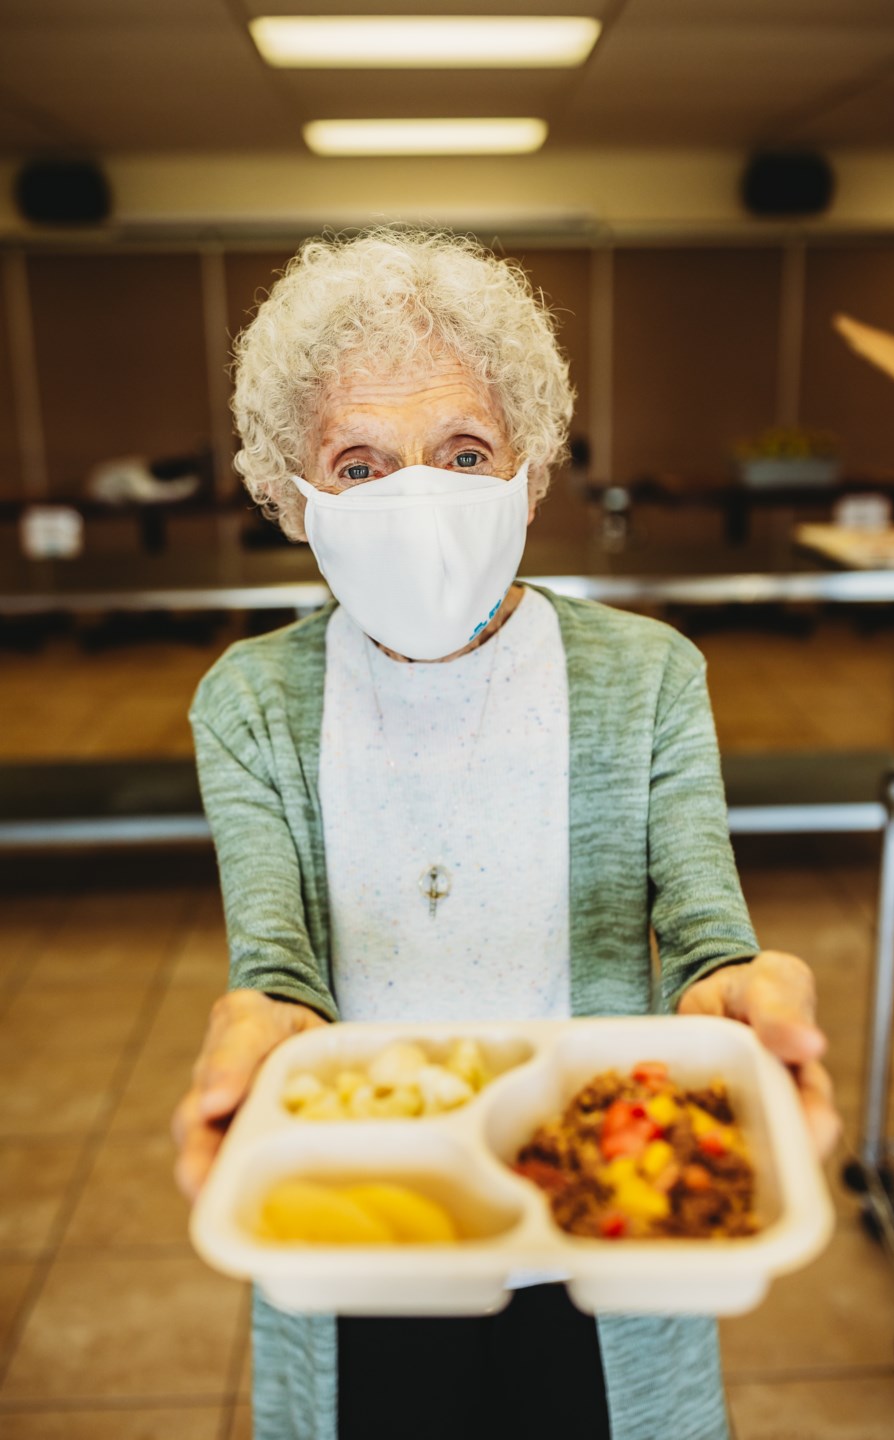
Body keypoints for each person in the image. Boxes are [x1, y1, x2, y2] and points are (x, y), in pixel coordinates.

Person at [172, 226, 840, 1440]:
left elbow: (705, 946)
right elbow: (277, 971)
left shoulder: (647, 678)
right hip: (362, 1223)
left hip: (601, 1234)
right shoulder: (250, 702)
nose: (418, 497)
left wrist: (739, 996)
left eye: (463, 450)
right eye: (360, 464)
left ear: (530, 469)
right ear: (295, 492)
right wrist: (256, 1029)